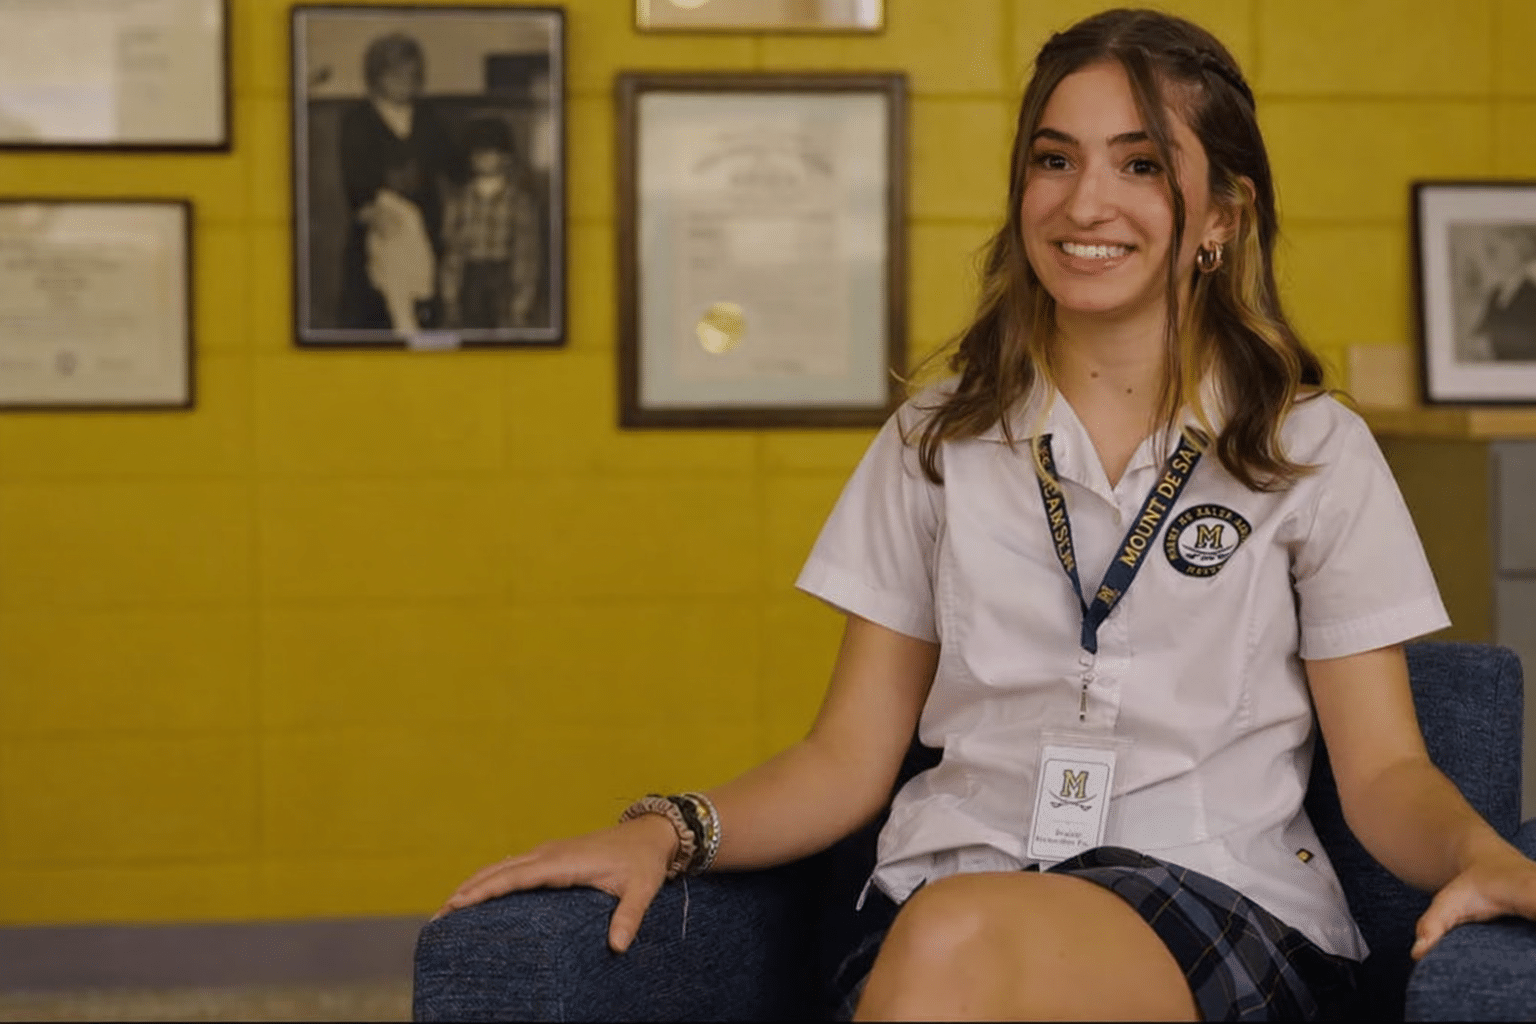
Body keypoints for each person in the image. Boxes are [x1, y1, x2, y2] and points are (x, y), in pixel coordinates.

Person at [432, 9, 1536, 1020]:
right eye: (1053, 160)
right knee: (958, 931)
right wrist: (666, 828)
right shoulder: (935, 439)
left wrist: (1484, 851)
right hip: (943, 893)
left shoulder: (1311, 449)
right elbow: (844, 760)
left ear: (1224, 216)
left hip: (1213, 902)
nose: (1082, 203)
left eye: (1140, 165)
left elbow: (1386, 772)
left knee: (964, 944)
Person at [336, 32, 456, 334]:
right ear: (376, 77)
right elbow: (355, 182)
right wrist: (370, 210)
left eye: (412, 75)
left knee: (425, 302)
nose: (406, 81)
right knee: (378, 305)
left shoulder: (428, 117)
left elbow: (451, 164)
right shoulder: (358, 120)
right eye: (396, 74)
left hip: (426, 222)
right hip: (379, 223)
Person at [438, 115, 543, 330]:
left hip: (504, 277)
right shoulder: (459, 200)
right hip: (470, 277)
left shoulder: (519, 200)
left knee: (505, 337)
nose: (483, 158)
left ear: (506, 158)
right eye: (478, 153)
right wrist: (450, 296)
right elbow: (453, 250)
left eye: (491, 152)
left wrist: (522, 300)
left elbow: (526, 252)